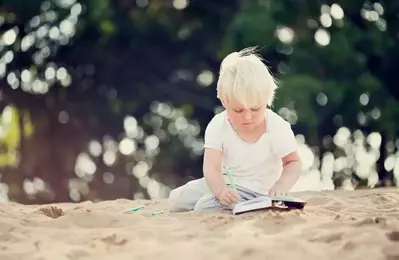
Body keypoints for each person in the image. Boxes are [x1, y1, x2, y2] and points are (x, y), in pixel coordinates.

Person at [168, 47, 302, 212]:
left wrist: (281, 185)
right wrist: (220, 191)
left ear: (266, 99)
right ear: (224, 102)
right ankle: (215, 200)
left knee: (204, 206)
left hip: (256, 191)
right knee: (177, 200)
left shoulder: (276, 126)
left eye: (255, 109)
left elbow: (293, 162)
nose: (247, 116)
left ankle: (243, 206)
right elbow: (211, 169)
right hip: (223, 183)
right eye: (239, 110)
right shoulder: (218, 125)